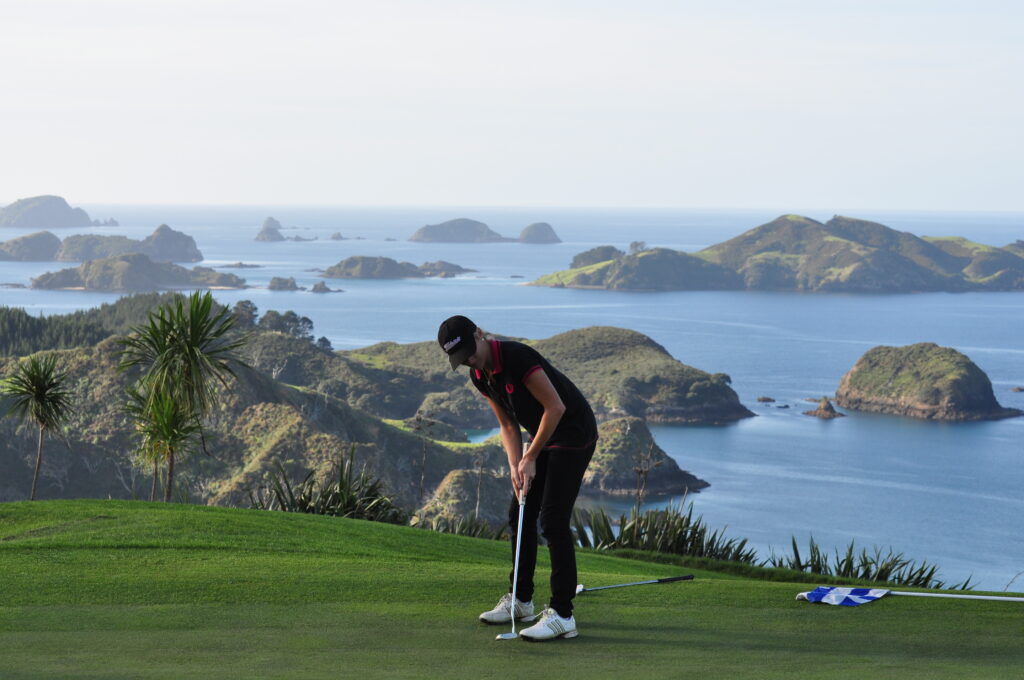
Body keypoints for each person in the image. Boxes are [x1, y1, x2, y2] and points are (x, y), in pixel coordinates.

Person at [437, 315, 597, 641]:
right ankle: (521, 601)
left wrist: (531, 456)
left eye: (470, 350)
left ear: (479, 334)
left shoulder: (517, 358)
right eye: (461, 358)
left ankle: (563, 615)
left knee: (552, 522)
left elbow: (555, 408)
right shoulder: (480, 376)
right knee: (519, 512)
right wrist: (515, 465)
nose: (470, 359)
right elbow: (508, 426)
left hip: (572, 433)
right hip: (542, 437)